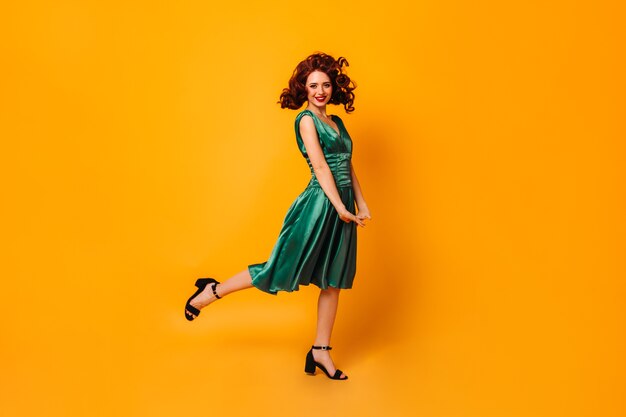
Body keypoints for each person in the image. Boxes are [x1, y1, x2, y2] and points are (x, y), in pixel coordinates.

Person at [183, 52, 372, 380]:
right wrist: (340, 207)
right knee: (276, 268)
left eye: (326, 84)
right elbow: (322, 166)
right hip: (318, 206)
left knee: (333, 281)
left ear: (334, 87)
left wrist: (360, 202)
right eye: (313, 85)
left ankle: (321, 351)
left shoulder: (337, 123)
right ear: (303, 87)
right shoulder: (306, 121)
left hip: (343, 206)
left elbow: (347, 164)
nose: (320, 91)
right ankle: (211, 292)